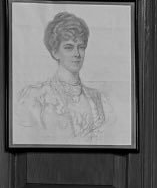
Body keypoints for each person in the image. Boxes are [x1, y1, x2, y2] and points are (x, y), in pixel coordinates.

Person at [15, 10, 111, 144]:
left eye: (81, 47)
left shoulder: (98, 98)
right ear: (55, 52)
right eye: (69, 47)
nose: (77, 54)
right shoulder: (35, 96)